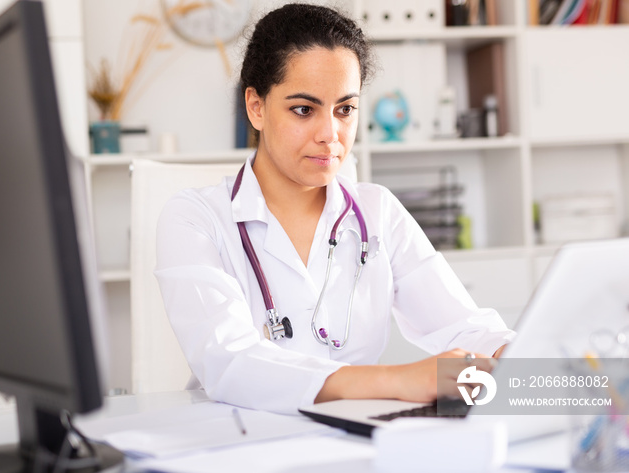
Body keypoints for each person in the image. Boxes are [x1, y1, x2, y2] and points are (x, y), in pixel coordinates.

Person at [155, 3, 514, 415]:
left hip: (359, 439)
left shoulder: (378, 212)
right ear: (256, 106)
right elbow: (229, 361)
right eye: (304, 109)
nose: (331, 135)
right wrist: (399, 380)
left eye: (345, 110)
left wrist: (524, 352)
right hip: (242, 441)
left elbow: (464, 326)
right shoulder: (194, 219)